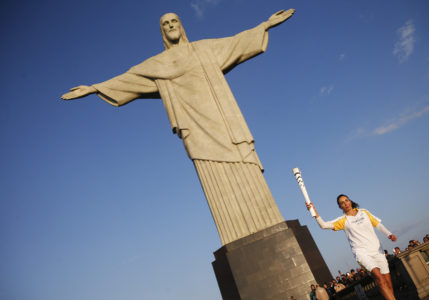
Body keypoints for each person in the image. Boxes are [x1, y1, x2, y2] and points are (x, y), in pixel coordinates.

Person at [61, 10, 294, 246]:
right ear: (162, 31)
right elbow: (128, 79)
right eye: (166, 24)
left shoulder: (204, 49)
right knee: (215, 178)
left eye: (174, 21)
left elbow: (236, 42)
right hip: (196, 130)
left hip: (225, 122)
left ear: (181, 26)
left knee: (244, 164)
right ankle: (235, 233)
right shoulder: (157, 65)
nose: (171, 25)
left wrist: (266, 25)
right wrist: (94, 88)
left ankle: (267, 218)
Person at [307, 194, 415, 300]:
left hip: (377, 251)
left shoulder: (364, 212)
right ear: (340, 207)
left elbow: (378, 225)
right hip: (362, 253)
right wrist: (314, 211)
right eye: (342, 203)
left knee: (388, 285)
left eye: (346, 200)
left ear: (350, 201)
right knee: (379, 279)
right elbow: (323, 225)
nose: (345, 203)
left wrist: (389, 234)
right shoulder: (343, 220)